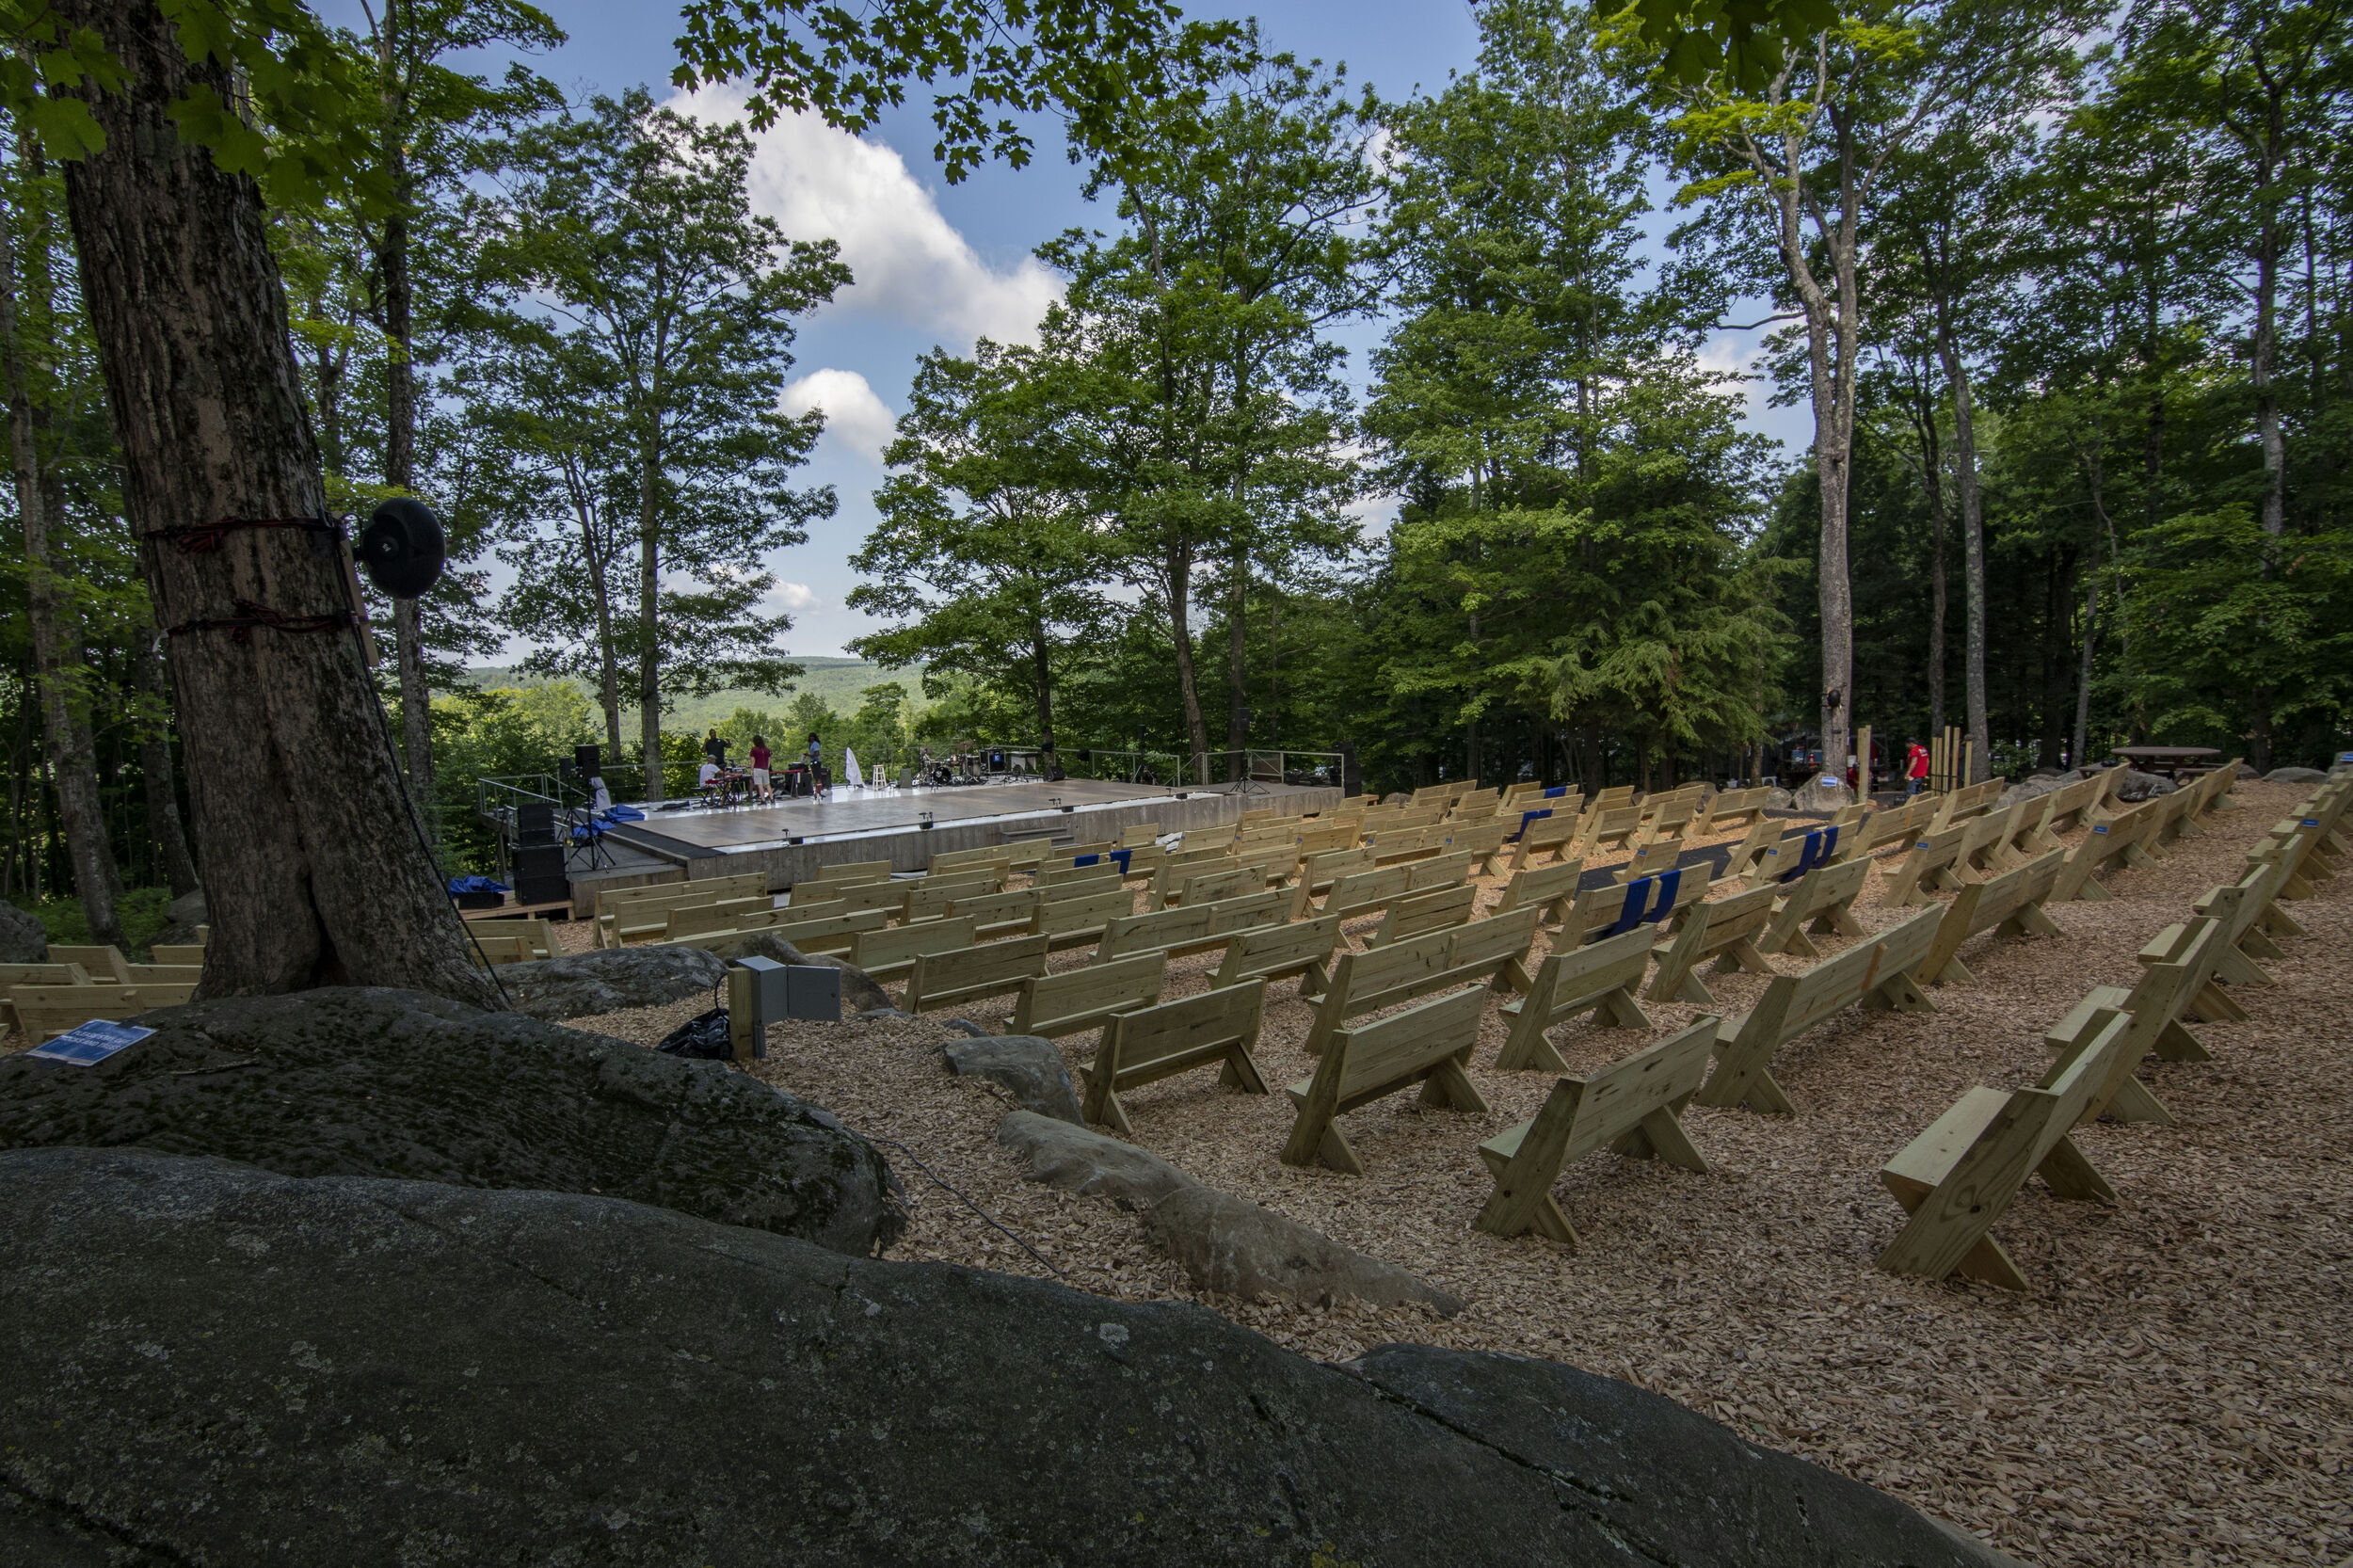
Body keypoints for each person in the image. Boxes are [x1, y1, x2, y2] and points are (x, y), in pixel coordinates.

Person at [749, 734, 772, 803]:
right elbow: (769, 760)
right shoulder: (767, 750)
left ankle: (763, 800)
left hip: (757, 768)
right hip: (765, 769)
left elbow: (753, 761)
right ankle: (772, 798)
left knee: (760, 785)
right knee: (767, 784)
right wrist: (767, 767)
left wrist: (752, 770)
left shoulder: (754, 750)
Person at [806, 731, 826, 798]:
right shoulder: (811, 744)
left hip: (816, 762)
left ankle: (817, 793)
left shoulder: (815, 744)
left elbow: (817, 754)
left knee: (818, 777)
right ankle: (818, 792)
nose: (810, 738)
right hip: (813, 762)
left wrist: (809, 755)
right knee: (816, 778)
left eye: (811, 737)